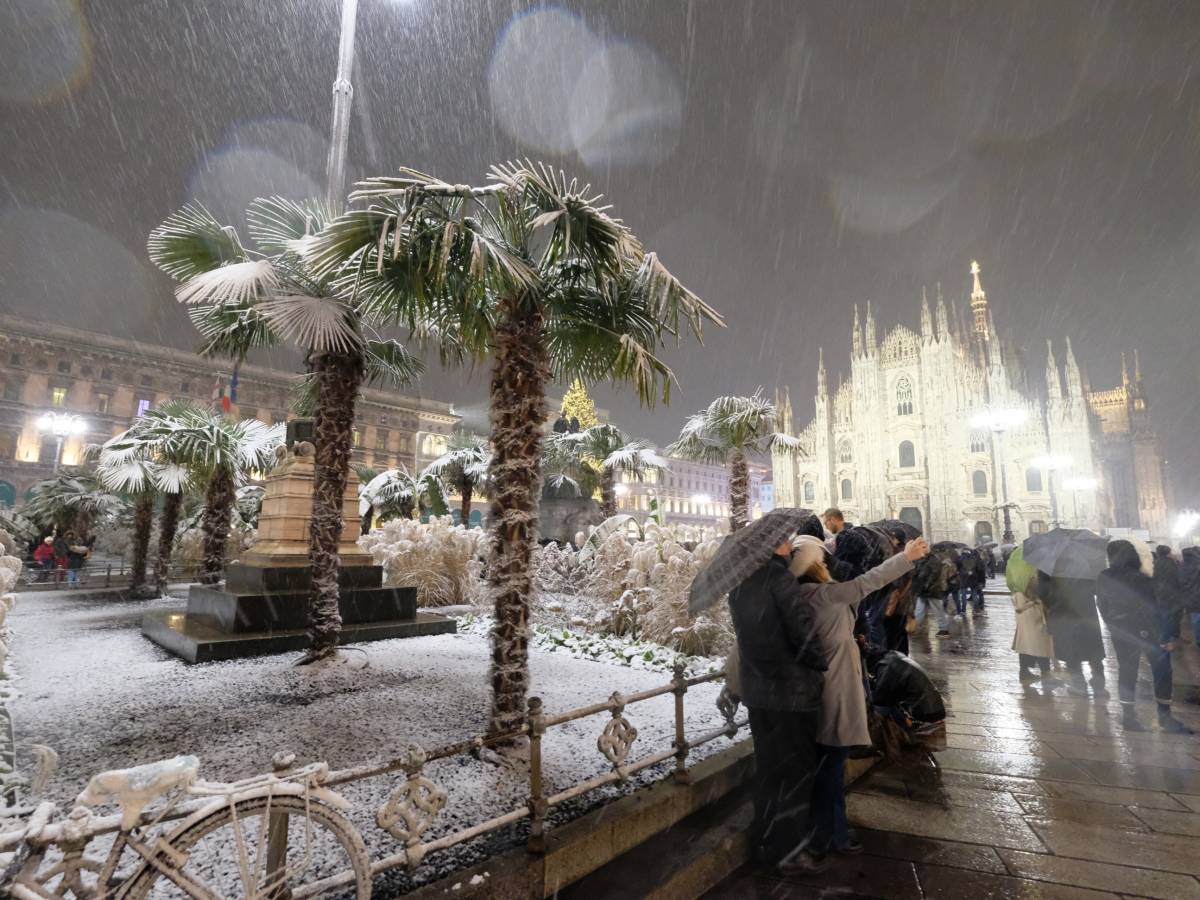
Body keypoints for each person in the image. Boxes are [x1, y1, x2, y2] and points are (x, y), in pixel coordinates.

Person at [789, 534, 930, 860]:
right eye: (822, 560)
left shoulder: (796, 596)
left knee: (826, 767)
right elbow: (868, 582)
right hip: (835, 691)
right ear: (813, 565)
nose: (827, 565)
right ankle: (829, 835)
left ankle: (828, 831)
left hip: (816, 691)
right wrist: (906, 556)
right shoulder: (826, 595)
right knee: (831, 769)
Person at [728, 535, 828, 874]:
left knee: (769, 770)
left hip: (760, 694)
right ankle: (791, 851)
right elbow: (801, 632)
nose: (791, 546)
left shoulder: (739, 584)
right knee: (797, 772)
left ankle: (765, 843)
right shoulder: (780, 579)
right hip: (792, 694)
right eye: (785, 542)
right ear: (769, 547)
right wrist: (819, 661)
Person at [1098, 542, 1192, 733]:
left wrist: (1112, 626)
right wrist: (1163, 637)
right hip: (1146, 631)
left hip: (1121, 631)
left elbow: (1102, 605)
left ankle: (1128, 716)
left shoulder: (1104, 577)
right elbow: (1153, 607)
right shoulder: (1141, 578)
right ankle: (1164, 716)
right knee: (1162, 671)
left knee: (1127, 670)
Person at [1039, 572, 1107, 697]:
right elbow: (1095, 586)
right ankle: (1099, 684)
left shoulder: (1050, 565)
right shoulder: (1083, 559)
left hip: (1063, 611)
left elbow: (1043, 592)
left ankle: (1078, 684)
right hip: (1086, 609)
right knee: (1092, 647)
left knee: (1070, 648)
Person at [1011, 577, 1059, 688]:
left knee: (1027, 647)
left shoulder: (1026, 595)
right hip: (1035, 627)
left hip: (1030, 627)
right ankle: (1044, 675)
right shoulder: (1024, 596)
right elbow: (1022, 609)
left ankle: (1026, 672)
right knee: (1041, 647)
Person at [1181, 546, 1200, 646]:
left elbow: (1180, 584)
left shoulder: (1181, 567)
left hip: (1190, 599)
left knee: (1196, 621)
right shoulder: (1198, 565)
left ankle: (1198, 641)